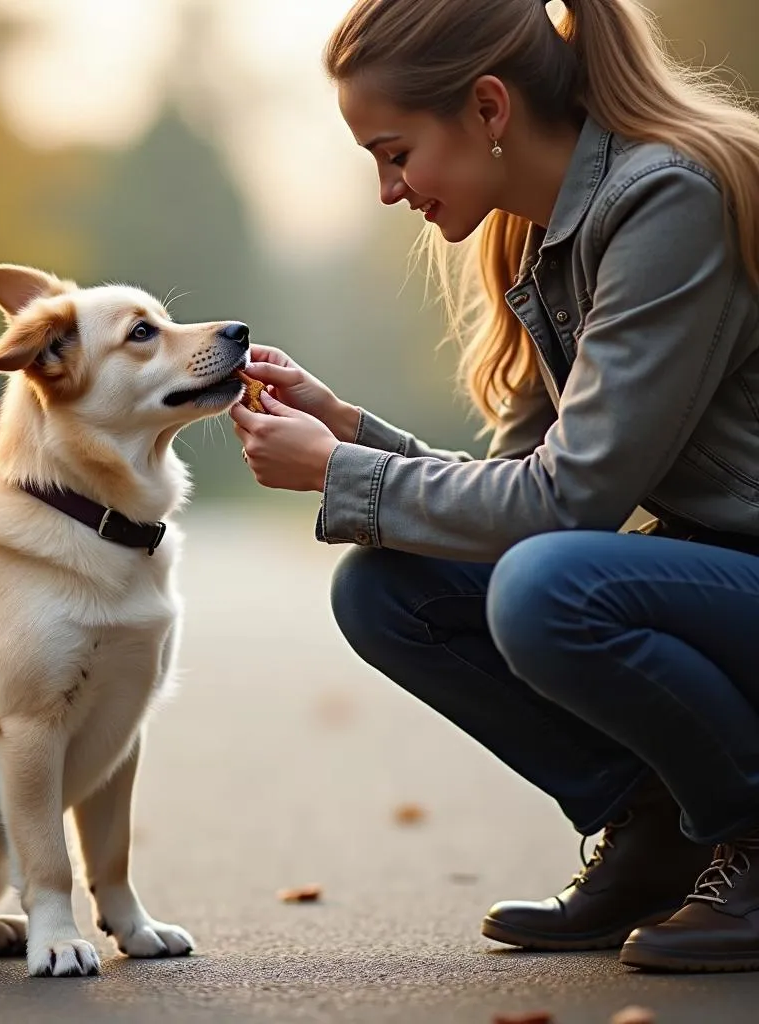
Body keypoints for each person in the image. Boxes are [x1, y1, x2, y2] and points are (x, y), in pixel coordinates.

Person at [229, 0, 759, 973]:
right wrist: (349, 429)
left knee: (549, 586)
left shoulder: (668, 198)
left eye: (394, 152)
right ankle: (659, 834)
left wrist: (341, 469)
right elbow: (518, 485)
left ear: (485, 107)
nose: (389, 189)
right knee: (390, 586)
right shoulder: (533, 234)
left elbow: (568, 505)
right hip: (718, 576)